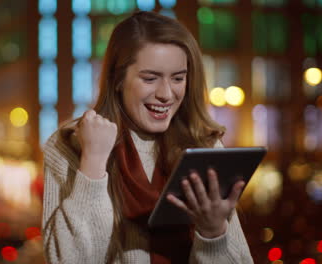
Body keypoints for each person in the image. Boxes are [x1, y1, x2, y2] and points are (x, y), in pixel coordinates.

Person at [42, 11, 253, 263]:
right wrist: (93, 163)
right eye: (150, 78)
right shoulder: (70, 144)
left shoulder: (204, 146)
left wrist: (212, 234)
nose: (166, 94)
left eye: (178, 78)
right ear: (117, 79)